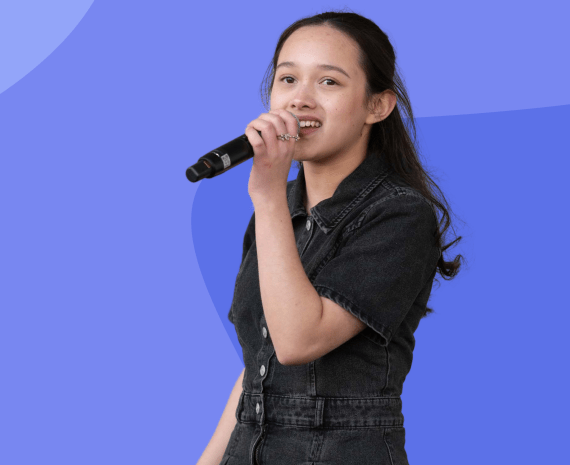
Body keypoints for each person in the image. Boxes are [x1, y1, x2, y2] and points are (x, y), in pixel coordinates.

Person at [197, 10, 464, 465]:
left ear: (377, 106)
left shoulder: (399, 214)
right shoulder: (277, 208)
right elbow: (258, 367)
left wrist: (266, 199)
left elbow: (298, 341)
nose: (300, 100)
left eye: (329, 83)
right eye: (287, 79)